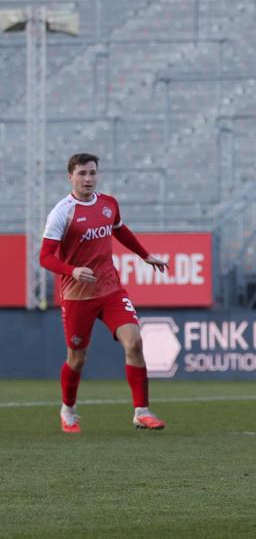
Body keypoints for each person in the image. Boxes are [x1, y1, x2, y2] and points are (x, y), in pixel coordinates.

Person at [39, 153, 169, 433]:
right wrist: (71, 270)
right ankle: (68, 410)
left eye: (93, 173)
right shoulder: (62, 212)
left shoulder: (109, 204)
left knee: (134, 342)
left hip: (110, 289)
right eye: (82, 174)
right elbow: (45, 257)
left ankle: (142, 412)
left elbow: (120, 231)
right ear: (70, 177)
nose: (88, 179)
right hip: (77, 296)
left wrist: (145, 255)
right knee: (77, 358)